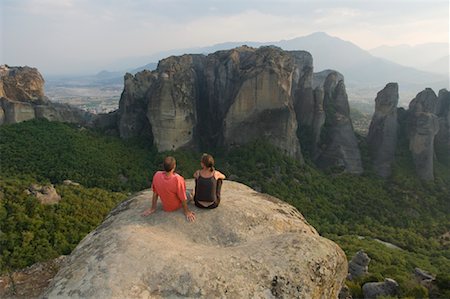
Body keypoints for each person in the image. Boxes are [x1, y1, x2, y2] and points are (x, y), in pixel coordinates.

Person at [142, 156, 196, 222]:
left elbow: (155, 193)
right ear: (174, 166)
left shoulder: (157, 175)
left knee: (185, 191)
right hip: (176, 206)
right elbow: (183, 198)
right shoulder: (178, 179)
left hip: (166, 206)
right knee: (190, 192)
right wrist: (187, 211)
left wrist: (152, 208)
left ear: (163, 166)